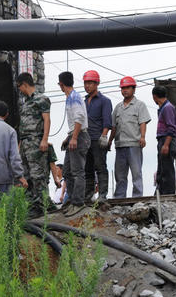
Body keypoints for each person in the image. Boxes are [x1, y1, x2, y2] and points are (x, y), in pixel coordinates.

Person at [109, 76, 151, 198]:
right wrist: (110, 141)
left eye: (127, 88)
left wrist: (143, 137)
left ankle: (137, 197)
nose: (125, 90)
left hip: (134, 144)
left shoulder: (139, 105)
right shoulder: (118, 107)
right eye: (123, 88)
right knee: (120, 175)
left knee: (136, 173)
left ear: (134, 89)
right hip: (120, 145)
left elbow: (142, 122)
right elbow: (114, 127)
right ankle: (119, 198)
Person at [16, 72, 51, 218]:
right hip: (25, 143)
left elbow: (47, 120)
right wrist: (19, 146)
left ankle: (42, 205)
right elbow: (23, 126)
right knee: (26, 174)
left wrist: (44, 139)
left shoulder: (41, 99)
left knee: (38, 175)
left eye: (19, 86)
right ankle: (31, 205)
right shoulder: (24, 102)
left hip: (36, 141)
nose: (19, 90)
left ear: (24, 84)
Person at [58, 71, 90, 217]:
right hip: (75, 134)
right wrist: (69, 137)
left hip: (80, 136)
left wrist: (75, 137)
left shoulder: (74, 97)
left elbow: (80, 117)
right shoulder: (70, 97)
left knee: (77, 172)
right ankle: (71, 200)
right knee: (67, 172)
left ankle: (78, 203)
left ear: (61, 84)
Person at [83, 70, 112, 204]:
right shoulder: (84, 101)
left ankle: (102, 196)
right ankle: (88, 196)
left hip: (97, 139)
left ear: (97, 83)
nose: (87, 85)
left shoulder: (104, 101)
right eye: (85, 83)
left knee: (100, 167)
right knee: (87, 169)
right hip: (85, 139)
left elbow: (107, 120)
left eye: (90, 83)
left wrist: (104, 135)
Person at [151, 86, 176, 194]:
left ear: (155, 96)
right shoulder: (163, 107)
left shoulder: (168, 108)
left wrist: (166, 144)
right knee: (162, 168)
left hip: (167, 140)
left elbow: (171, 127)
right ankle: (161, 193)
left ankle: (168, 194)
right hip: (163, 139)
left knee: (167, 169)